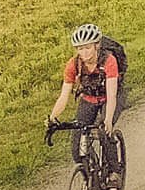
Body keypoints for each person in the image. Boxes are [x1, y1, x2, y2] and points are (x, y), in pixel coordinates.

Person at [50, 22, 122, 178]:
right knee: (76, 145)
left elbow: (112, 95)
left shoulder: (109, 61)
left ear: (97, 45)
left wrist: (108, 119)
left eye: (88, 47)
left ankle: (115, 171)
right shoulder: (73, 64)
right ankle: (91, 178)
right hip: (89, 99)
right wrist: (52, 118)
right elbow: (64, 95)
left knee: (104, 132)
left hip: (110, 99)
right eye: (80, 48)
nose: (84, 52)